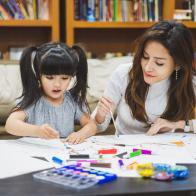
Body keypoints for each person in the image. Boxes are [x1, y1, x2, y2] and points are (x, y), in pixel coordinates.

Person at [94, 20, 196, 136]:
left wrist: (177, 125)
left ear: (177, 64)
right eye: (145, 57)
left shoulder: (189, 83)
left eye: (159, 63)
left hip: (165, 150)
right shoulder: (123, 74)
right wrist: (101, 115)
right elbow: (98, 125)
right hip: (126, 149)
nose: (147, 68)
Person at [5, 42, 97, 144]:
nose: (57, 84)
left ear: (72, 77)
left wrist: (80, 134)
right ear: (38, 76)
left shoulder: (72, 100)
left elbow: (92, 125)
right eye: (50, 78)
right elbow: (10, 125)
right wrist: (37, 131)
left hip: (62, 155)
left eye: (64, 78)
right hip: (35, 154)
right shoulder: (33, 100)